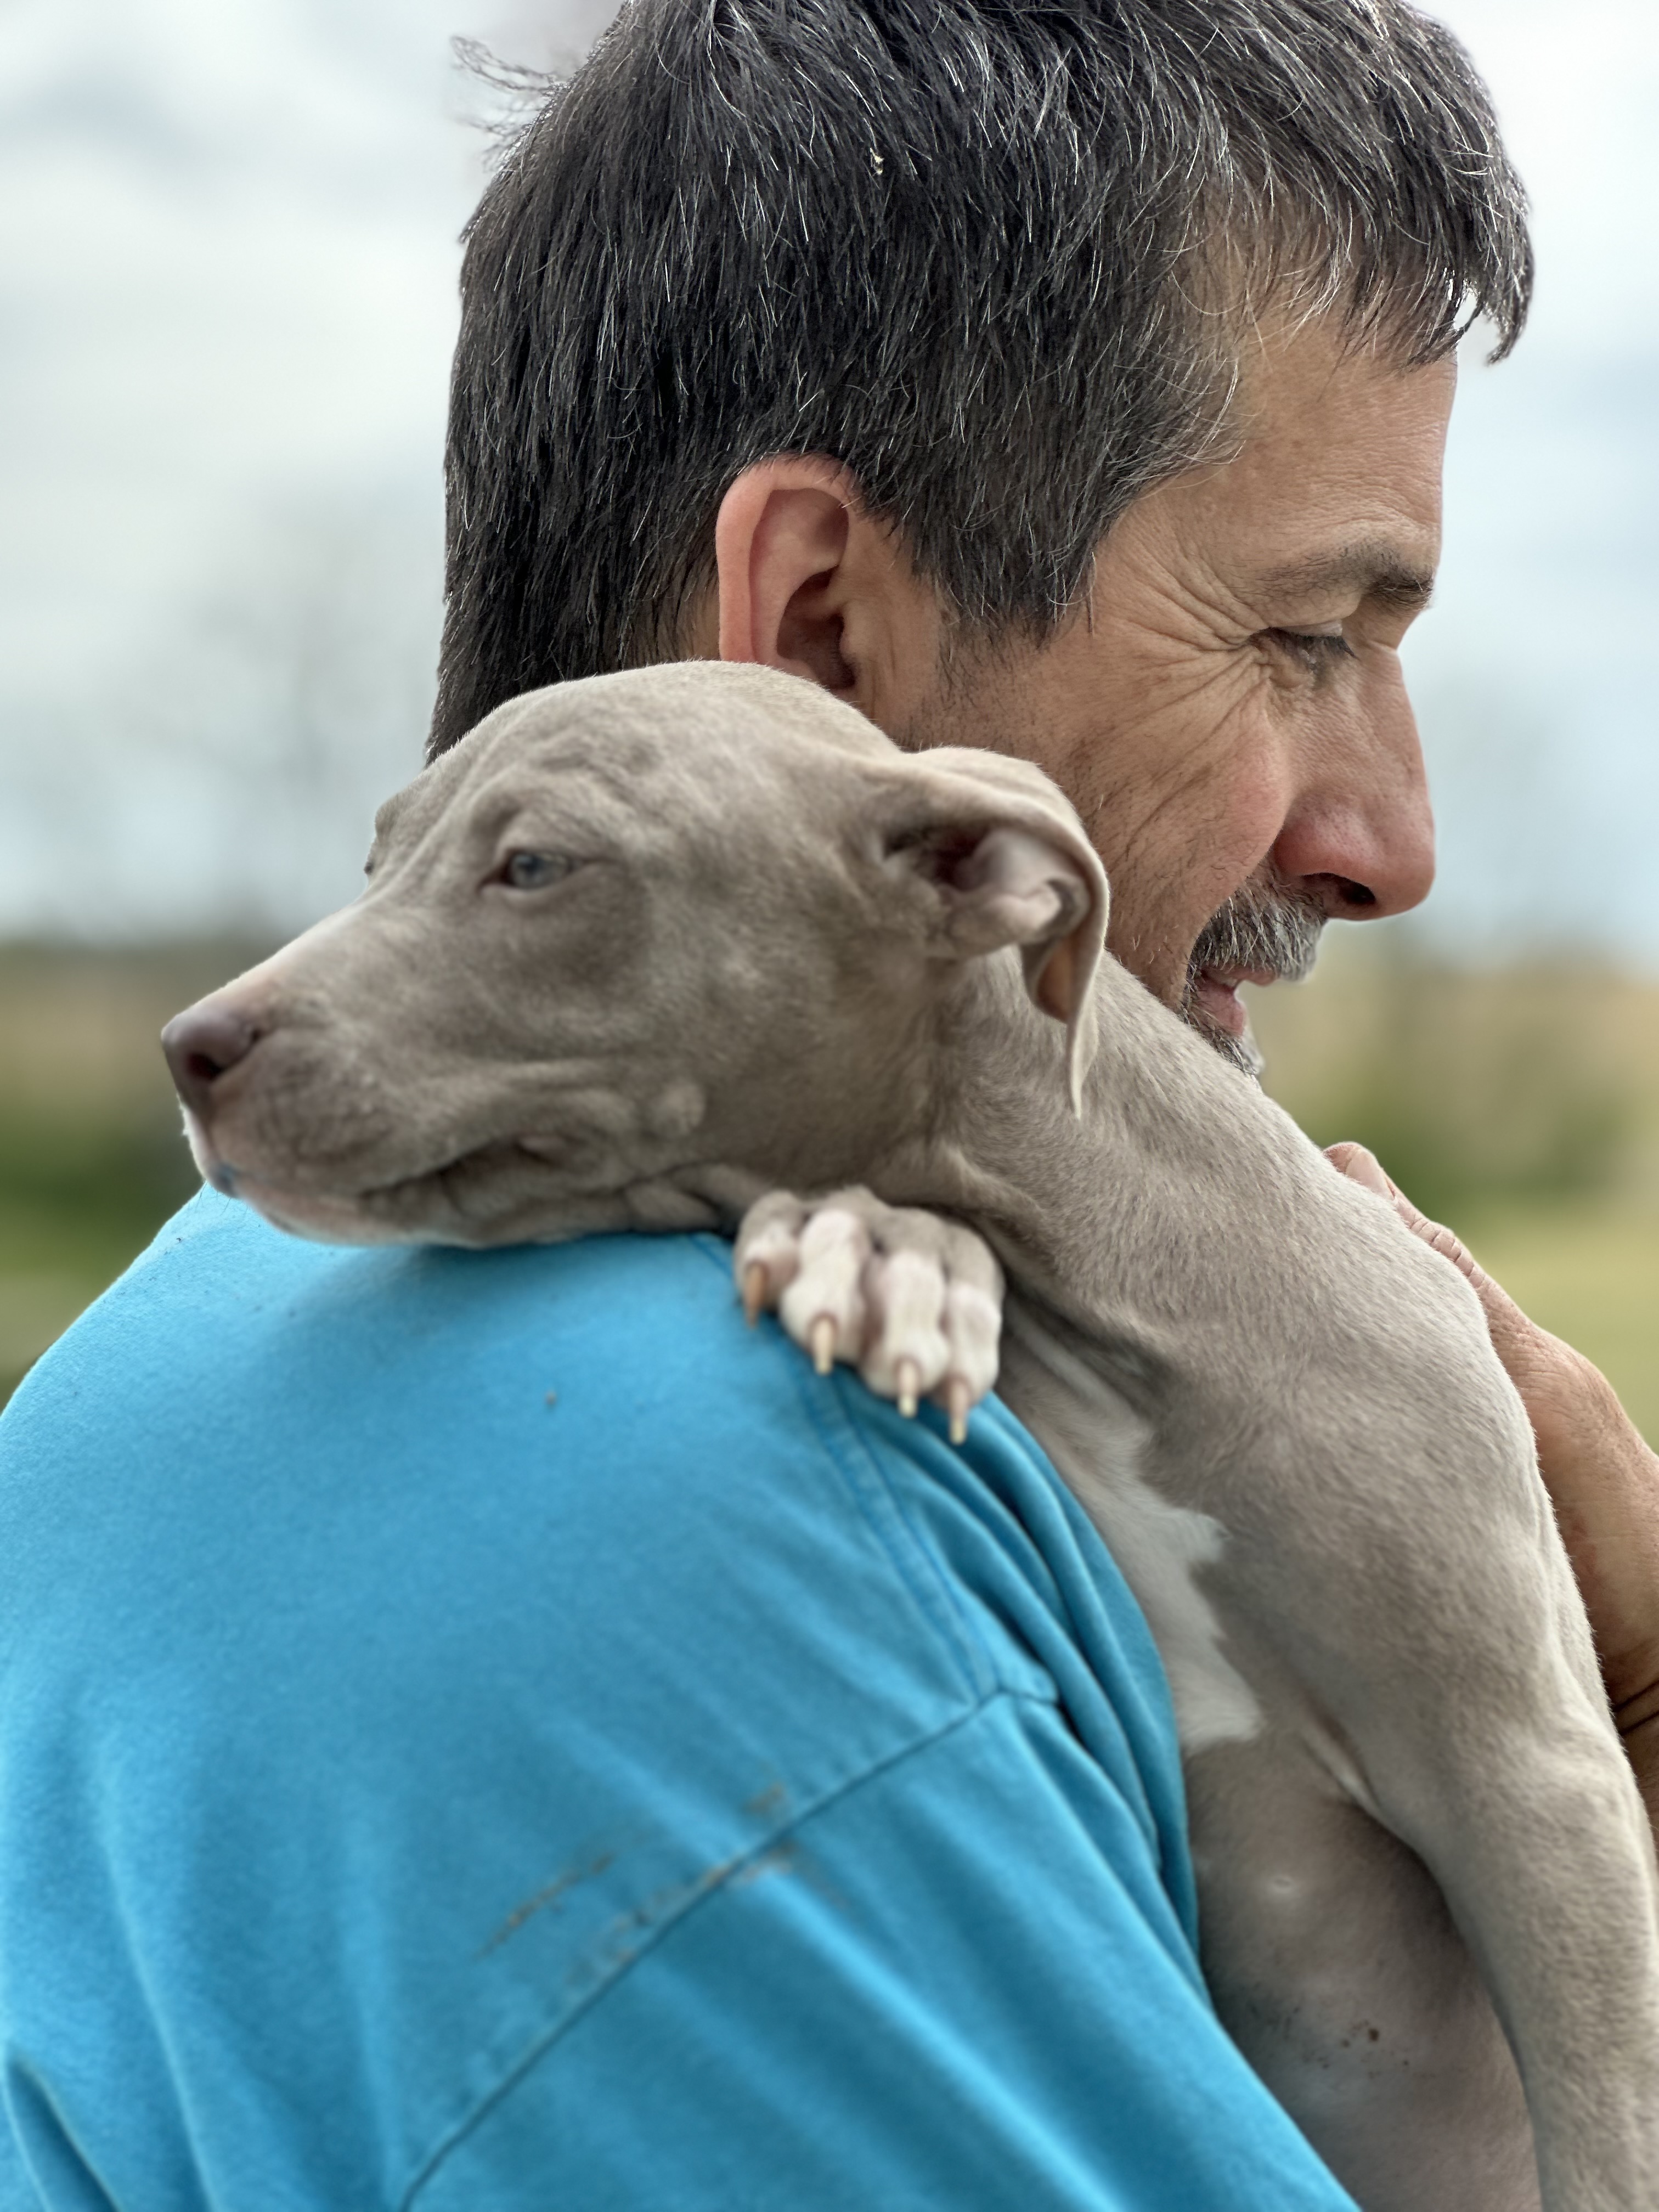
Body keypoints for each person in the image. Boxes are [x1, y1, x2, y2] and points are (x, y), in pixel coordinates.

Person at [2, 1, 1656, 2204]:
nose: (1393, 841)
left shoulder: (161, 1386)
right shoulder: (736, 1512)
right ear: (821, 648)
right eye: (1301, 640)